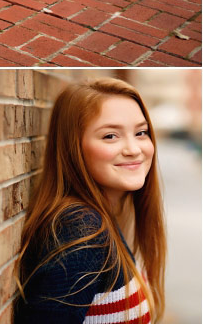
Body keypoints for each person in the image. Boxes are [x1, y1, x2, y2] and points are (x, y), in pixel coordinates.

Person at [13, 78, 164, 324]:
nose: (134, 149)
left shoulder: (100, 220)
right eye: (110, 136)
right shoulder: (82, 233)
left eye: (141, 132)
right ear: (74, 147)